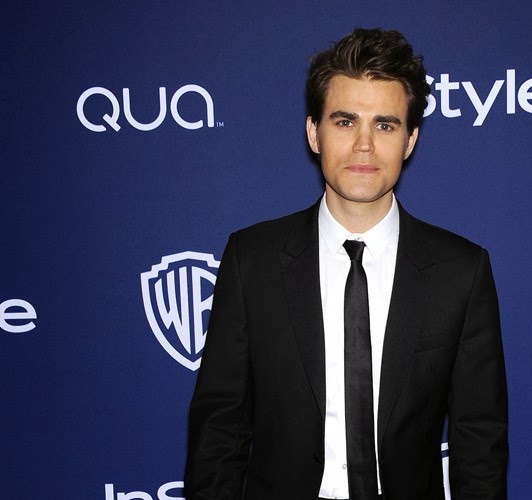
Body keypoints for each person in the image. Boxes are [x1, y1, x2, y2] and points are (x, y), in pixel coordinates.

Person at [185, 28, 508, 500]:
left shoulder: (462, 271)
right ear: (313, 132)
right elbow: (219, 429)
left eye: (385, 125)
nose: (364, 144)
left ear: (410, 140)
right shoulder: (251, 261)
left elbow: (478, 442)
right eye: (344, 122)